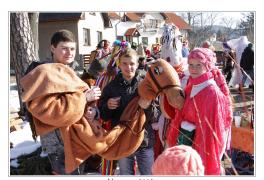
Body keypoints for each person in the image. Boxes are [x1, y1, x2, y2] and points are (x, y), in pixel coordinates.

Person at [22, 29, 101, 175]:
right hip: (58, 142)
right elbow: (52, 111)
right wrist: (84, 98)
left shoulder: (72, 70)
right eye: (64, 48)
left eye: (72, 49)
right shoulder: (43, 73)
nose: (69, 53)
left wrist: (92, 111)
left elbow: (77, 104)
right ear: (52, 48)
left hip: (78, 138)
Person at [165, 48, 233, 175]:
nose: (193, 69)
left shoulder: (211, 92)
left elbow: (214, 132)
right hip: (186, 145)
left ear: (207, 66)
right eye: (190, 64)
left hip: (201, 152)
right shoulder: (192, 86)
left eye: (198, 65)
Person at [98, 48, 160, 175]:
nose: (128, 67)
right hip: (122, 140)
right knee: (126, 175)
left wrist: (147, 106)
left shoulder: (147, 85)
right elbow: (103, 115)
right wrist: (108, 106)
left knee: (149, 174)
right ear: (119, 64)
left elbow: (156, 116)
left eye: (132, 64)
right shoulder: (111, 87)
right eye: (125, 64)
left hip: (144, 140)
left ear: (137, 64)